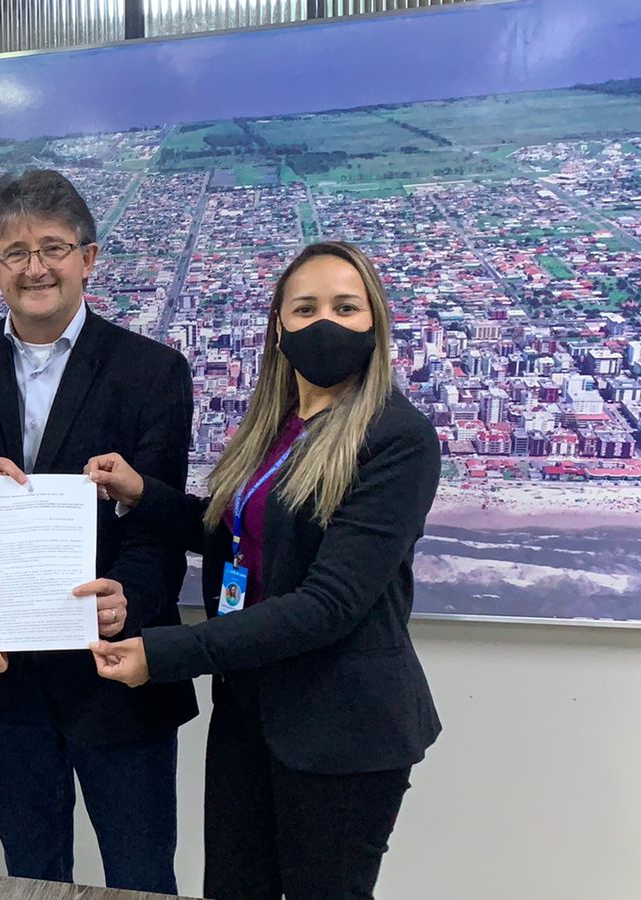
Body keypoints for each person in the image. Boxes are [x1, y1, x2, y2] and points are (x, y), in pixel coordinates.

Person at [86, 240, 443, 900]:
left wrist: (164, 654)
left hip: (339, 727)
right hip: (249, 709)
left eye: (345, 307)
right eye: (304, 309)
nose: (324, 324)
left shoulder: (396, 437)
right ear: (278, 327)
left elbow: (329, 604)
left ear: (376, 322)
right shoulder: (277, 424)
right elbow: (241, 542)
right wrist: (143, 494)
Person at [0, 169, 196, 892]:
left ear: (88, 259)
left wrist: (128, 599)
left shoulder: (154, 372)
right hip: (5, 677)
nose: (35, 267)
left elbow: (161, 522)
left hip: (117, 671)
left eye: (53, 247)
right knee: (30, 879)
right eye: (15, 253)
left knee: (141, 876)